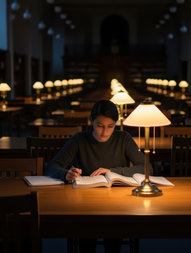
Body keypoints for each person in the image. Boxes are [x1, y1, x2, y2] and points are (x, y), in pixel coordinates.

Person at [46, 99, 149, 253]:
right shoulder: (79, 139)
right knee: (86, 237)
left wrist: (112, 171)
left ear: (116, 124)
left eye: (110, 127)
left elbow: (147, 168)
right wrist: (65, 174)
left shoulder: (123, 138)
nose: (104, 132)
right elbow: (51, 167)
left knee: (114, 236)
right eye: (100, 126)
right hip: (85, 202)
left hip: (119, 202)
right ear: (91, 121)